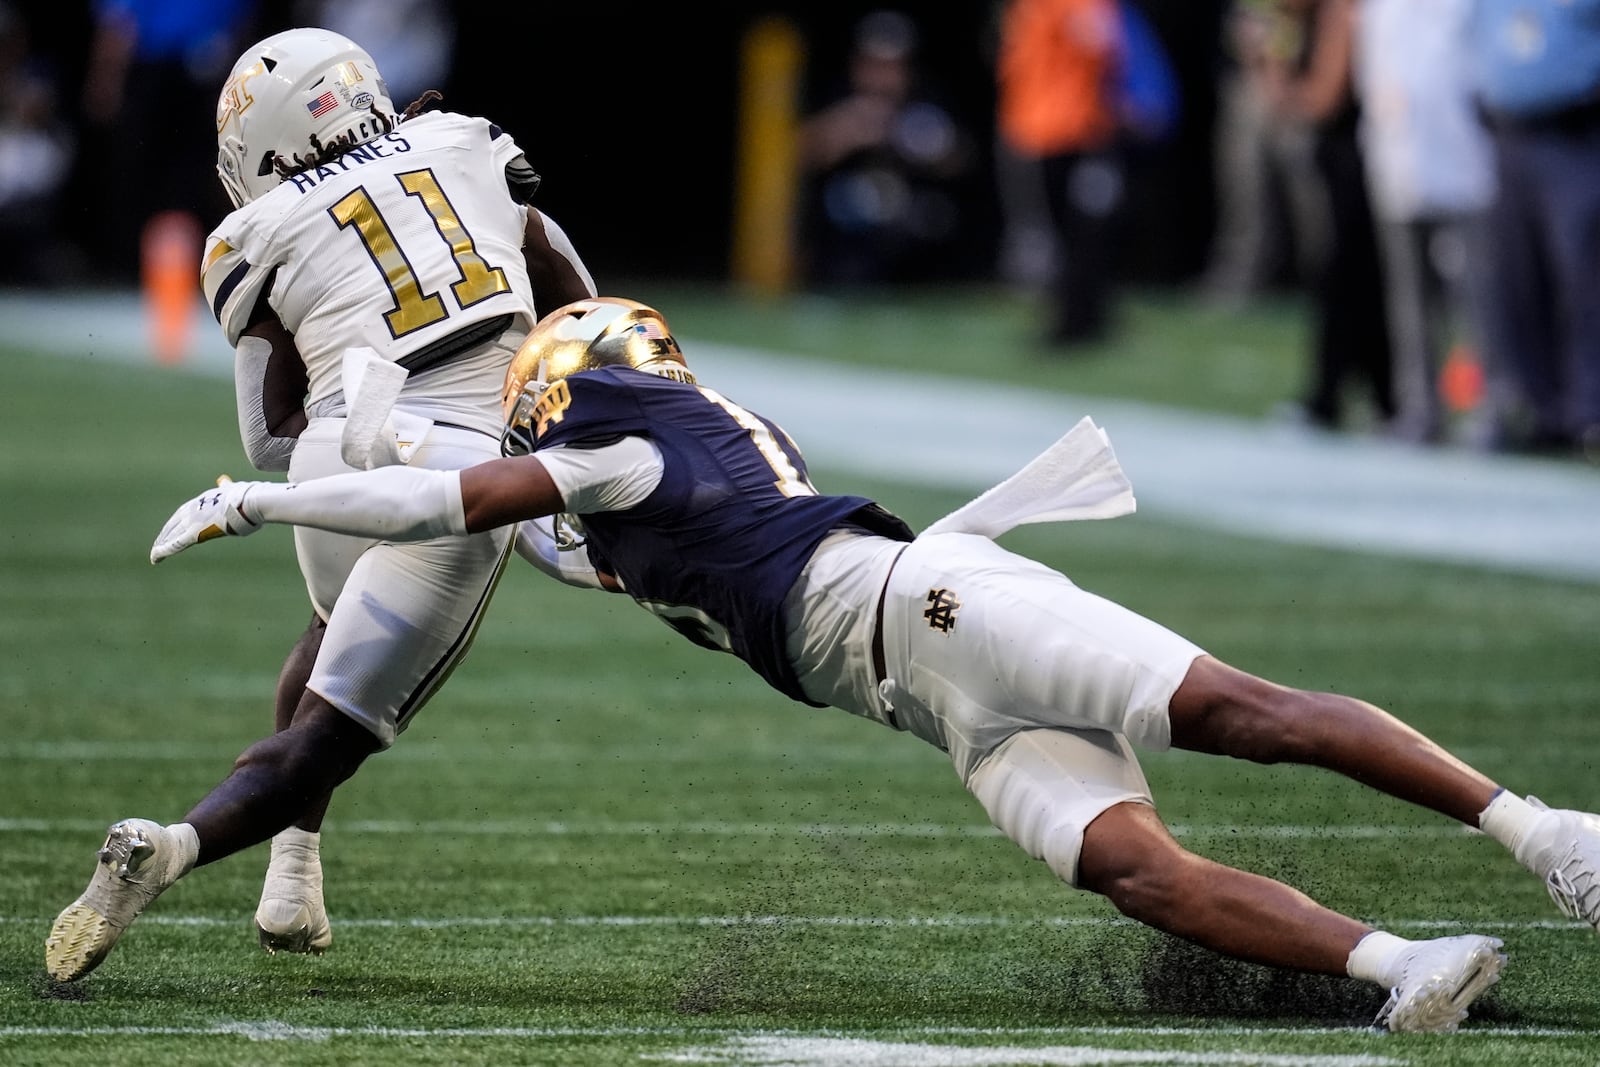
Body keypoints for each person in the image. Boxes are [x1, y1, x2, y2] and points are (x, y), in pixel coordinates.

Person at [128, 296, 1600, 1033]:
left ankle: (1546, 835)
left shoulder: (627, 433)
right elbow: (524, 523)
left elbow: (460, 506)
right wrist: (376, 421)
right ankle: (1406, 964)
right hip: (927, 697)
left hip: (945, 607)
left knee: (1244, 712)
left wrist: (270, 494)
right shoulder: (651, 457)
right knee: (1135, 871)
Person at [43, 26, 596, 979]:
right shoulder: (466, 141)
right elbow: (578, 299)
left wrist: (350, 459)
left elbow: (267, 438)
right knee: (327, 737)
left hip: (333, 460)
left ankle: (291, 879)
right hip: (457, 465)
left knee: (331, 616)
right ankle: (167, 847)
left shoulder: (253, 231)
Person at [1352, 0, 1495, 445]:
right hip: (1397, 155)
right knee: (1409, 297)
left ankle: (1490, 409)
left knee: (1476, 295)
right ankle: (1420, 409)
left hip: (1462, 157)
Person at [1467, 0, 1600, 460]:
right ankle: (1540, 411)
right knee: (1517, 280)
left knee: (1583, 276)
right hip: (1507, 133)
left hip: (1574, 131)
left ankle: (1589, 412)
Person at [1262, 0, 1395, 432]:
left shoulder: (1343, 10)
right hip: (1345, 159)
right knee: (1357, 281)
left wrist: (1276, 66)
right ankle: (1381, 396)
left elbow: (1322, 99)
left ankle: (1335, 397)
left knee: (1347, 279)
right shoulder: (1308, 18)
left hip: (1359, 160)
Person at [796, 10, 975, 287]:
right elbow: (792, 157)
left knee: (934, 219)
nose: (883, 77)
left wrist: (926, 145)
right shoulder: (839, 96)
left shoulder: (925, 101)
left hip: (910, 228)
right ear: (858, 65)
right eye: (874, 65)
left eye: (893, 67)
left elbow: (962, 161)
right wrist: (843, 132)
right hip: (844, 231)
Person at [994, 0, 1127, 347]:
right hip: (1039, 130)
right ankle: (1067, 316)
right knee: (1056, 233)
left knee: (1079, 233)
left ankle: (1078, 320)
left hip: (1072, 131)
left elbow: (1102, 47)